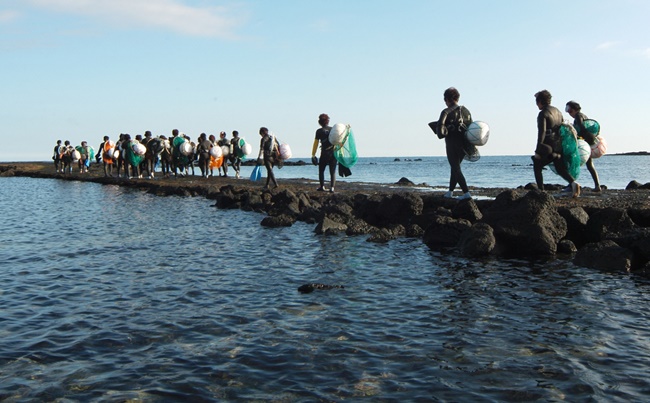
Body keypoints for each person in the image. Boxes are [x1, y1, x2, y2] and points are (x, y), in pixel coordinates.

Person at [532, 90, 580, 197]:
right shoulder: (558, 112)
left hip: (548, 145)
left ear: (539, 101)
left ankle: (541, 192)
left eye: (536, 102)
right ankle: (573, 183)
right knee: (560, 168)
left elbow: (542, 132)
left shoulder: (543, 113)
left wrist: (538, 149)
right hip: (559, 146)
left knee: (536, 163)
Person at [436, 87, 473, 200]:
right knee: (455, 168)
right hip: (464, 144)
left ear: (446, 99)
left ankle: (467, 194)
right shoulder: (465, 111)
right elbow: (472, 127)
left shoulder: (446, 112)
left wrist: (445, 130)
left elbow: (440, 133)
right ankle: (450, 192)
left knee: (455, 168)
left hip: (452, 144)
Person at [566, 101, 601, 192]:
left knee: (573, 163)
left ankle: (571, 184)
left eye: (569, 110)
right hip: (588, 143)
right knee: (589, 165)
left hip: (583, 144)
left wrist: (574, 132)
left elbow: (582, 129)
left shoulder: (578, 116)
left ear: (574, 109)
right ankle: (597, 186)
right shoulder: (583, 115)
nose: (569, 113)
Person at [311, 113, 336, 192]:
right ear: (327, 121)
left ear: (320, 122)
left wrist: (313, 154)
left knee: (321, 170)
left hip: (324, 153)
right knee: (333, 171)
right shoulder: (333, 129)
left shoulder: (319, 131)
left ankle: (322, 186)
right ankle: (332, 187)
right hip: (333, 153)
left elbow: (316, 143)